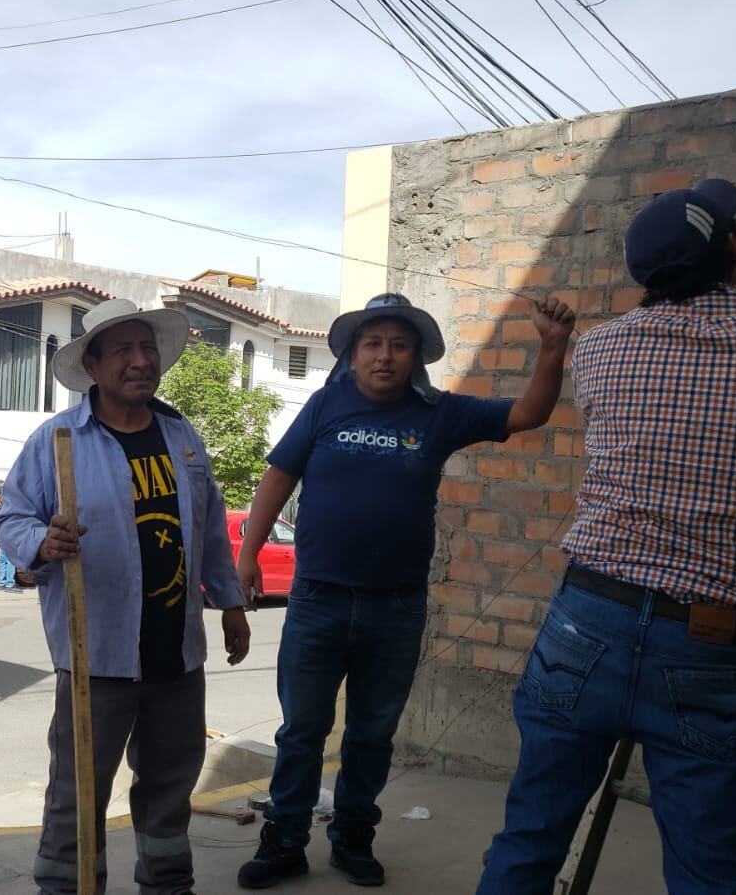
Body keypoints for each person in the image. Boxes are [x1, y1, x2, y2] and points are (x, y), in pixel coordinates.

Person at [477, 179, 736, 894]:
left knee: (528, 838)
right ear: (734, 245)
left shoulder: (599, 352)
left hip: (583, 624)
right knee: (709, 877)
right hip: (710, 642)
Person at [236, 292, 575, 889]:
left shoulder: (438, 413)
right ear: (352, 354)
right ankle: (285, 839)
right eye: (373, 344)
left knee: (371, 733)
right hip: (317, 601)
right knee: (301, 731)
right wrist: (247, 557)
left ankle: (353, 838)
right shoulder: (323, 406)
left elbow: (527, 414)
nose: (385, 356)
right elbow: (278, 476)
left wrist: (551, 347)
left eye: (398, 345)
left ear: (415, 356)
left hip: (394, 608)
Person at [0, 297, 252, 895]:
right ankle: (67, 888)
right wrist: (42, 540)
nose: (140, 361)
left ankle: (167, 885)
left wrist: (231, 603)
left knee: (169, 787)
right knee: (79, 790)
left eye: (148, 348)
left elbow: (210, 529)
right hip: (97, 656)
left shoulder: (182, 437)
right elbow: (10, 517)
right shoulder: (57, 439)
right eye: (124, 351)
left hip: (175, 655)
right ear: (92, 365)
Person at [0, 481, 24, 593]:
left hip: (1, 535)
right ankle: (10, 584)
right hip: (7, 534)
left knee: (3, 559)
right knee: (10, 559)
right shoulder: (5, 504)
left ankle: (1, 583)